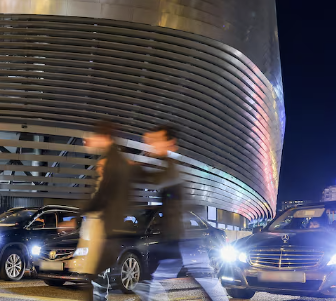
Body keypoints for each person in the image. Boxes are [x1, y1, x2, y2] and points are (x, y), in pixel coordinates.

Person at [134, 125, 228, 301]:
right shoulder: (167, 165)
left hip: (185, 236)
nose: (151, 145)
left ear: (170, 143)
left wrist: (134, 168)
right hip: (181, 235)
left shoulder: (170, 168)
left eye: (156, 141)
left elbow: (156, 180)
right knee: (168, 274)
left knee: (203, 277)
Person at [79, 120, 131, 301]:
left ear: (105, 137)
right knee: (94, 279)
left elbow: (102, 200)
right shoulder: (113, 161)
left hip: (105, 234)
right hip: (99, 235)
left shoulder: (114, 162)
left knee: (97, 279)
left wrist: (77, 216)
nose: (99, 169)